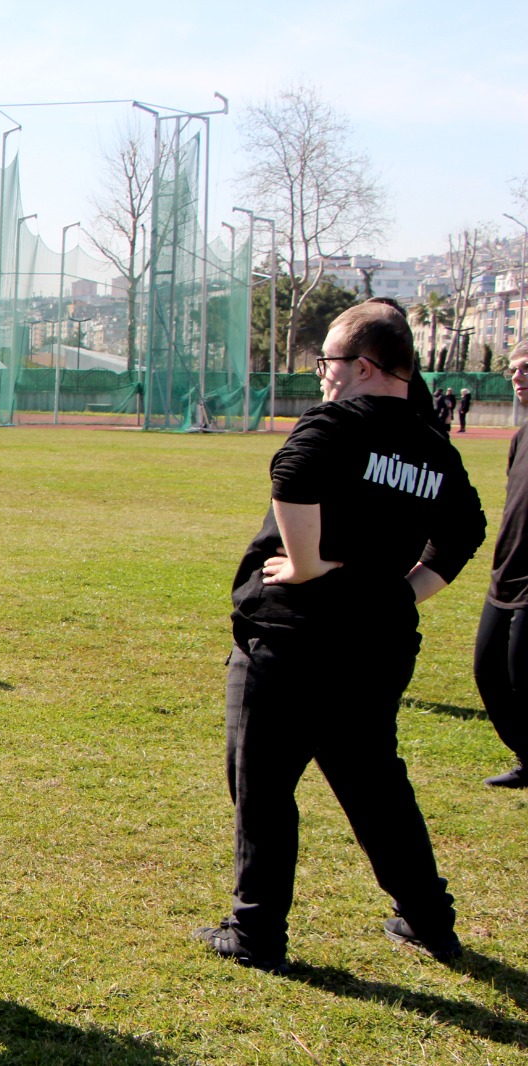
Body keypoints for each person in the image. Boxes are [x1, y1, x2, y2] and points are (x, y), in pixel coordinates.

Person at [198, 299, 486, 973]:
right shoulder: (431, 443)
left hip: (291, 639)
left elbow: (291, 473)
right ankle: (429, 921)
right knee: (375, 786)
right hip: (375, 645)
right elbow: (466, 529)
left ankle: (256, 933)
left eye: (326, 360)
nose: (321, 374)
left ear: (360, 365)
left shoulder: (337, 421)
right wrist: (402, 592)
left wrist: (305, 565)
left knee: (263, 786)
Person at [473, 339, 528, 787]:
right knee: (488, 672)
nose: (517, 376)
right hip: (505, 575)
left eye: (527, 368)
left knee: (520, 675)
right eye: (514, 369)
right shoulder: (520, 437)